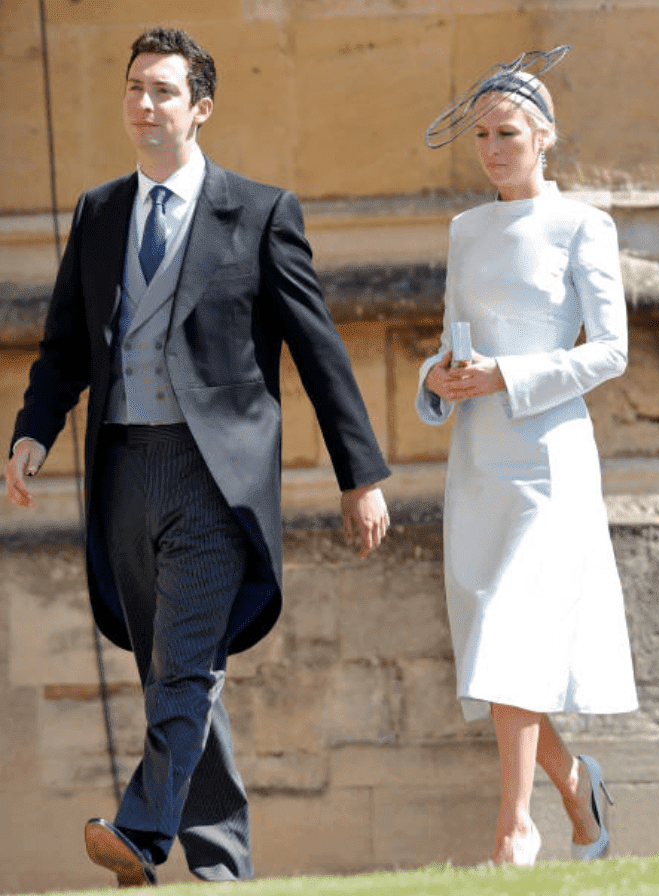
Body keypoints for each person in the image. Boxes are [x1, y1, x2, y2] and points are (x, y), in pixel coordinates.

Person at [6, 27, 390, 887]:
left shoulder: (258, 212)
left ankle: (142, 835)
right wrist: (32, 430)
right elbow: (66, 344)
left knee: (183, 664)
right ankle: (221, 869)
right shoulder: (99, 212)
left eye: (164, 92)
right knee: (176, 673)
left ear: (201, 107)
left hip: (216, 480)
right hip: (122, 473)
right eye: (135, 89)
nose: (145, 105)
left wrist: (359, 473)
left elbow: (318, 348)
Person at [416, 60, 638, 866]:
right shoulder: (465, 230)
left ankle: (516, 827)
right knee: (495, 649)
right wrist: (435, 379)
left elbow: (611, 352)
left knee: (510, 632)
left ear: (543, 135)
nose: (492, 148)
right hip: (478, 458)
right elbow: (455, 339)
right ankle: (578, 789)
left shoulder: (584, 225)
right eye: (481, 135)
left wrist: (510, 376)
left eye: (507, 133)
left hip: (549, 459)